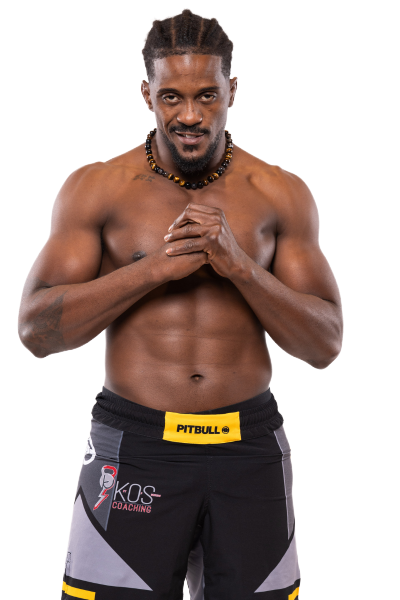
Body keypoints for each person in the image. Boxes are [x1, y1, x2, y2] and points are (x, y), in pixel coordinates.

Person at [17, 8, 343, 600]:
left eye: (205, 96)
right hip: (134, 446)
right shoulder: (96, 188)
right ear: (147, 94)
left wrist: (239, 267)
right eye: (171, 96)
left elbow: (325, 345)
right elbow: (36, 331)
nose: (189, 115)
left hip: (248, 448)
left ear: (231, 91)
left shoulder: (280, 193)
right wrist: (152, 271)